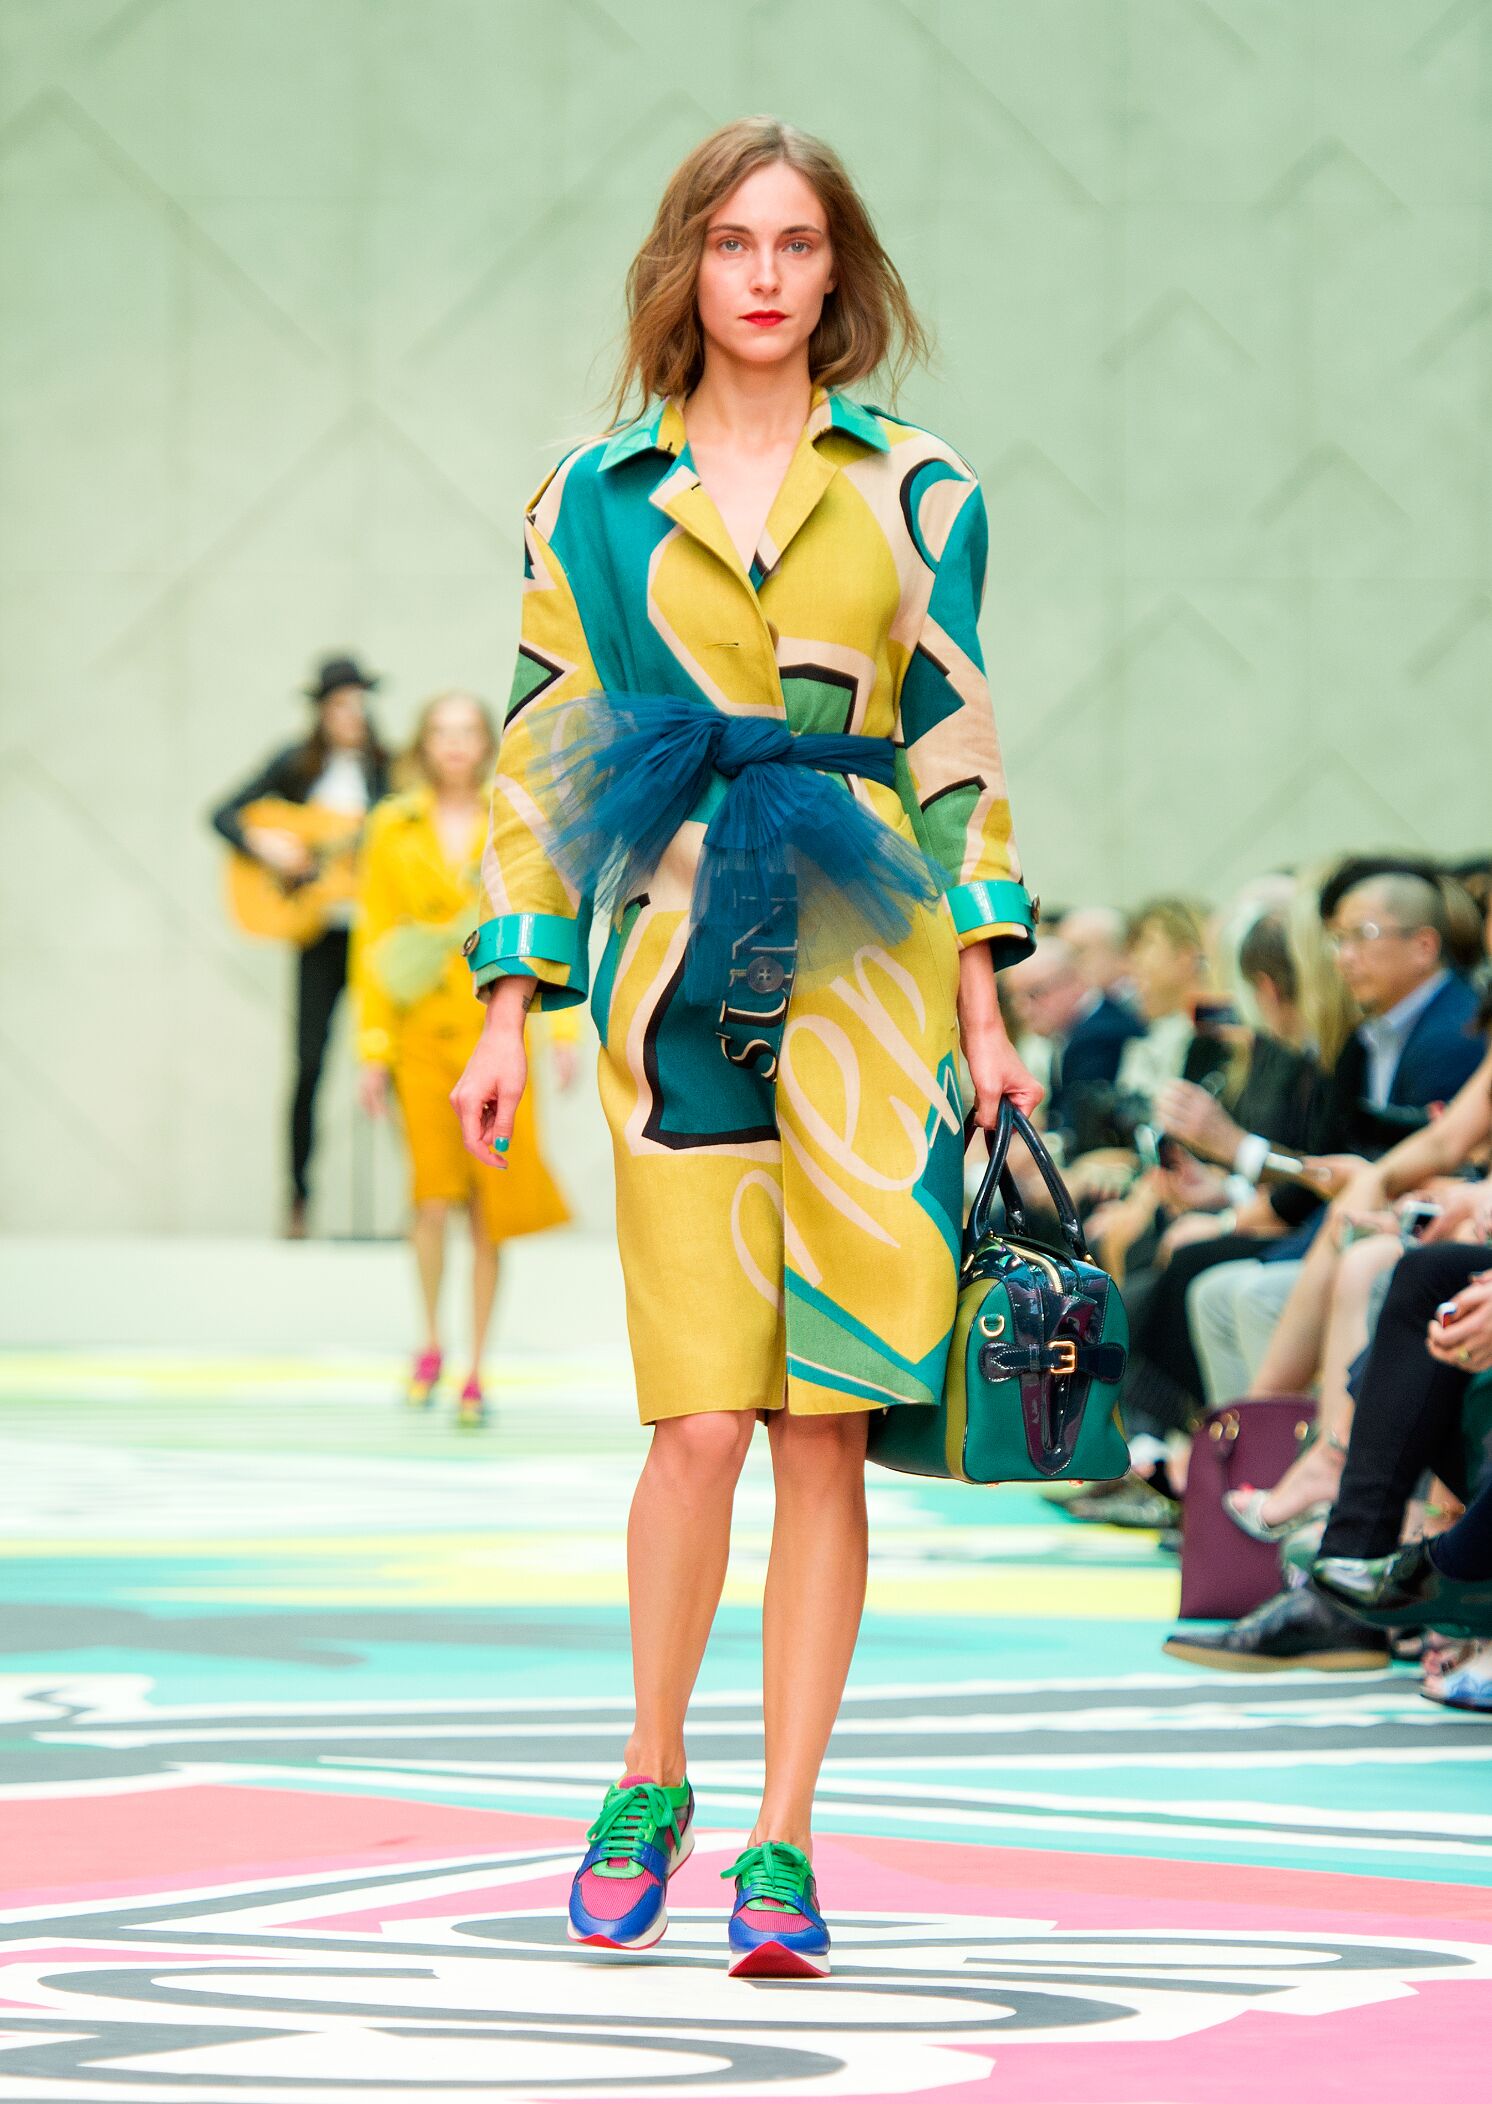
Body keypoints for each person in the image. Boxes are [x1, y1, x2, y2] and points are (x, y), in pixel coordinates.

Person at [450, 117, 1039, 1978]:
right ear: (685, 267)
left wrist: (988, 1008)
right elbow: (543, 752)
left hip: (872, 990)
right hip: (674, 975)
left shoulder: (920, 490)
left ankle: (783, 1834)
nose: (765, 275)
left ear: (836, 269)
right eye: (731, 242)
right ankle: (650, 1770)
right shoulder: (590, 497)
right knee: (698, 1419)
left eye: (795, 242)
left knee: (824, 1427)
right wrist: (507, 1000)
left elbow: (954, 747)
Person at [352, 692, 574, 1426]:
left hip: (496, 1025)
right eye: (440, 731)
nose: (454, 743)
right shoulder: (393, 826)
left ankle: (476, 1365)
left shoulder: (509, 817)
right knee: (430, 1197)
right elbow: (374, 938)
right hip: (420, 1030)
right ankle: (430, 1343)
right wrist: (372, 1049)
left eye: (467, 730)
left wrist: (565, 1035)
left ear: (485, 742)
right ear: (423, 742)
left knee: (491, 1204)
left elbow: (545, 916)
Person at [211, 655, 390, 1237]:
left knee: (392, 1060)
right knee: (309, 1063)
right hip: (318, 936)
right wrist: (270, 848)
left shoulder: (386, 773)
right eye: (340, 704)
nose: (351, 714)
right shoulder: (295, 765)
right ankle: (297, 1199)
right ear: (321, 710)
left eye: (358, 703)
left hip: (377, 933)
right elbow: (222, 814)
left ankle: (422, 1203)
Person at [1004, 934, 1143, 1148]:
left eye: (1034, 993)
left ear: (1073, 980)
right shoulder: (1074, 1032)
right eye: (1015, 998)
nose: (1022, 1010)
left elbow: (1075, 1132)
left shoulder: (1098, 1037)